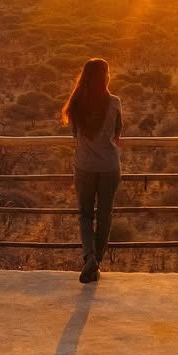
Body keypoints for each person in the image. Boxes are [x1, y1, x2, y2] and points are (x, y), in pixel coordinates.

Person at [61, 57, 122, 283]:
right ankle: (96, 262)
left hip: (85, 166)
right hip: (109, 167)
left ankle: (90, 259)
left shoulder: (76, 103)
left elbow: (75, 135)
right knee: (105, 216)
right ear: (105, 77)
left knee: (85, 215)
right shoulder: (115, 102)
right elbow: (117, 133)